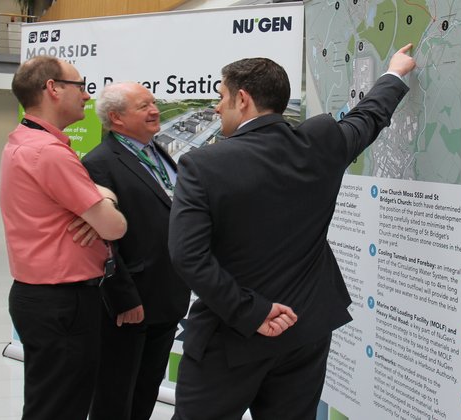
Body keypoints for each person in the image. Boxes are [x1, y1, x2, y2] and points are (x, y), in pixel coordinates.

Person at [168, 44, 417, 420]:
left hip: (230, 338)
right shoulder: (320, 144)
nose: (216, 108)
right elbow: (368, 117)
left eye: (221, 96)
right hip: (305, 333)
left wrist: (253, 312)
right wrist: (395, 73)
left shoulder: (203, 165)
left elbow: (188, 256)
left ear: (244, 99)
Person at [0, 56, 127, 420]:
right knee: (61, 407)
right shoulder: (49, 153)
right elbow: (115, 228)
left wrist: (102, 198)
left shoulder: (26, 140)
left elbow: (100, 204)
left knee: (49, 402)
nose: (87, 96)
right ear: (53, 89)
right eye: (80, 86)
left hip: (41, 298)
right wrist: (104, 201)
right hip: (63, 303)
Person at [81, 82, 191, 420]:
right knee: (115, 397)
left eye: (153, 103)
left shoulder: (158, 151)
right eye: (143, 106)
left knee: (146, 391)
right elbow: (101, 240)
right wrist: (123, 297)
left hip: (167, 295)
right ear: (116, 117)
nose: (154, 110)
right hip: (130, 304)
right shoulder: (99, 163)